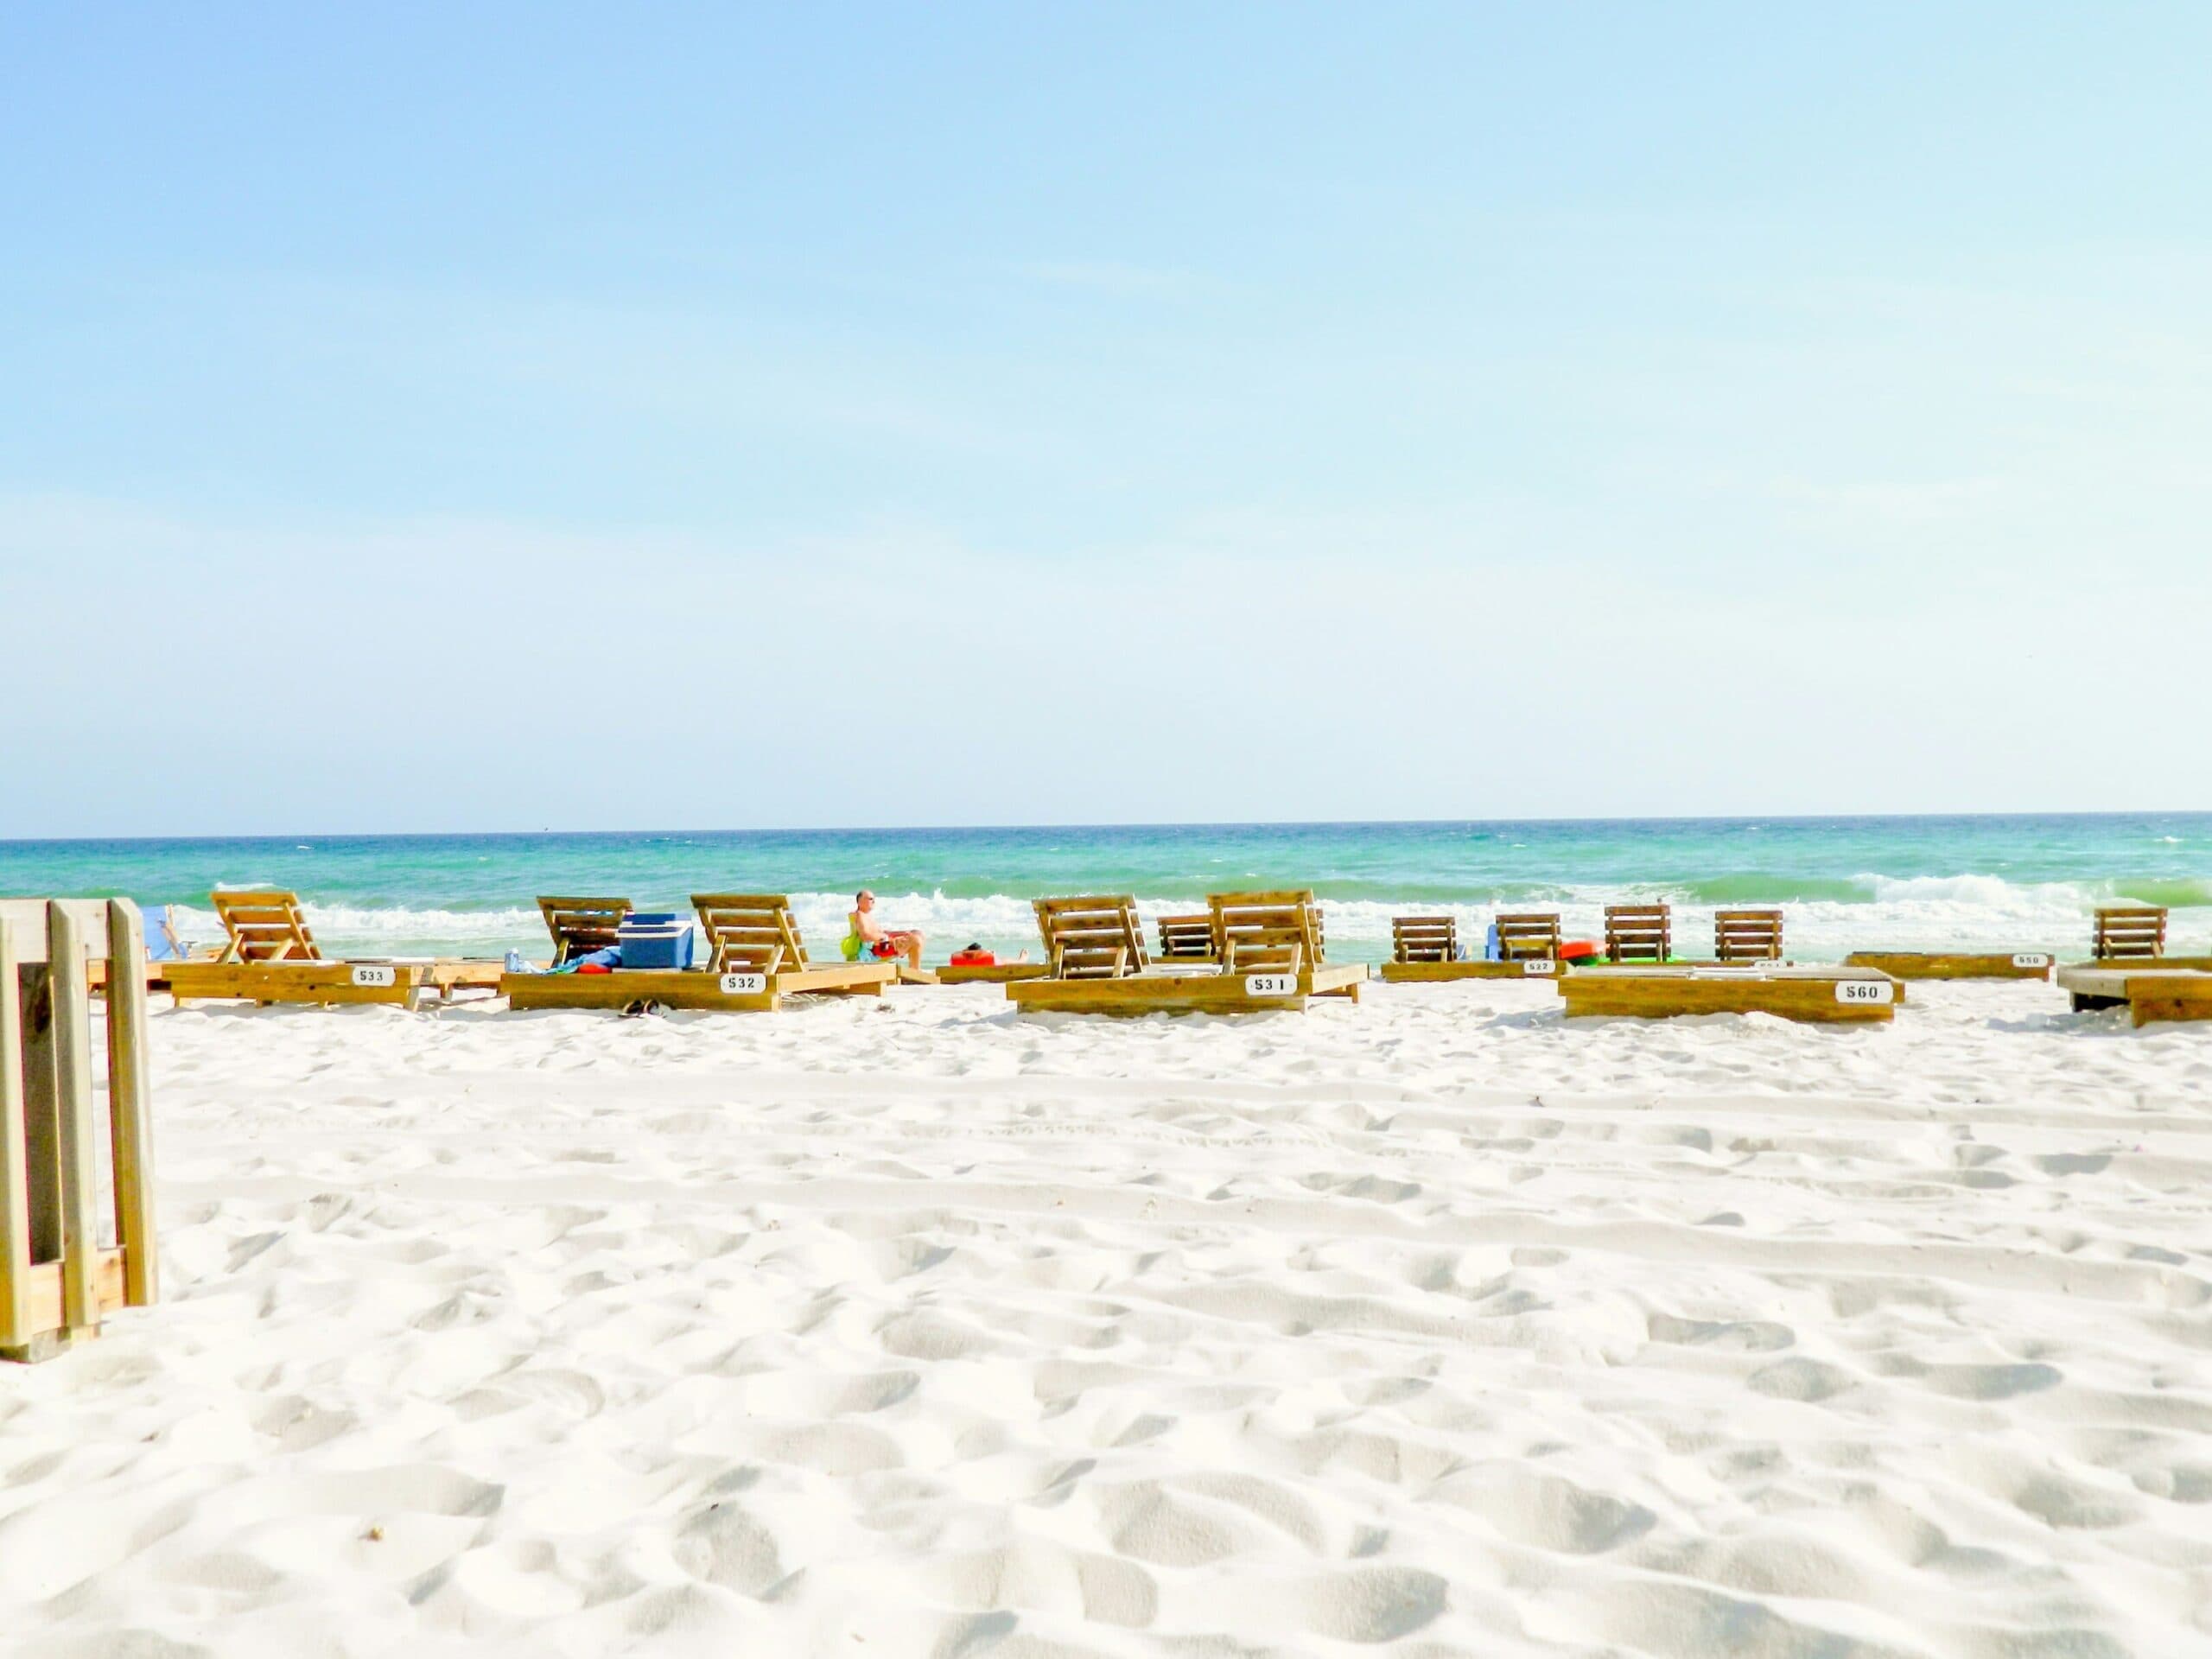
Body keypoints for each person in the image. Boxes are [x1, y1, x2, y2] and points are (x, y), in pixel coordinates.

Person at [845, 889, 925, 969]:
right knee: (916, 940)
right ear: (860, 902)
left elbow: (882, 932)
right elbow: (865, 936)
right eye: (870, 899)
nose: (874, 901)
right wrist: (885, 937)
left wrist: (902, 933)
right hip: (877, 950)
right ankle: (915, 971)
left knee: (918, 933)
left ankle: (914, 969)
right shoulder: (860, 915)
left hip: (881, 945)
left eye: (874, 899)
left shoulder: (867, 916)